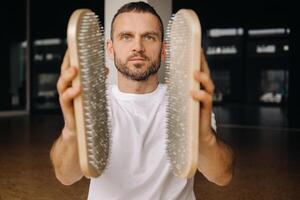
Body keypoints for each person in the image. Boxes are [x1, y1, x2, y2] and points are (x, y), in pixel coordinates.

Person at [50, 2, 234, 199]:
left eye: (149, 37)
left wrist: (204, 137)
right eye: (126, 37)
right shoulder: (93, 105)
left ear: (164, 50)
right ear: (110, 49)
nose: (138, 47)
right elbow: (65, 176)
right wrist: (71, 131)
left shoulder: (186, 101)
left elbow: (221, 176)